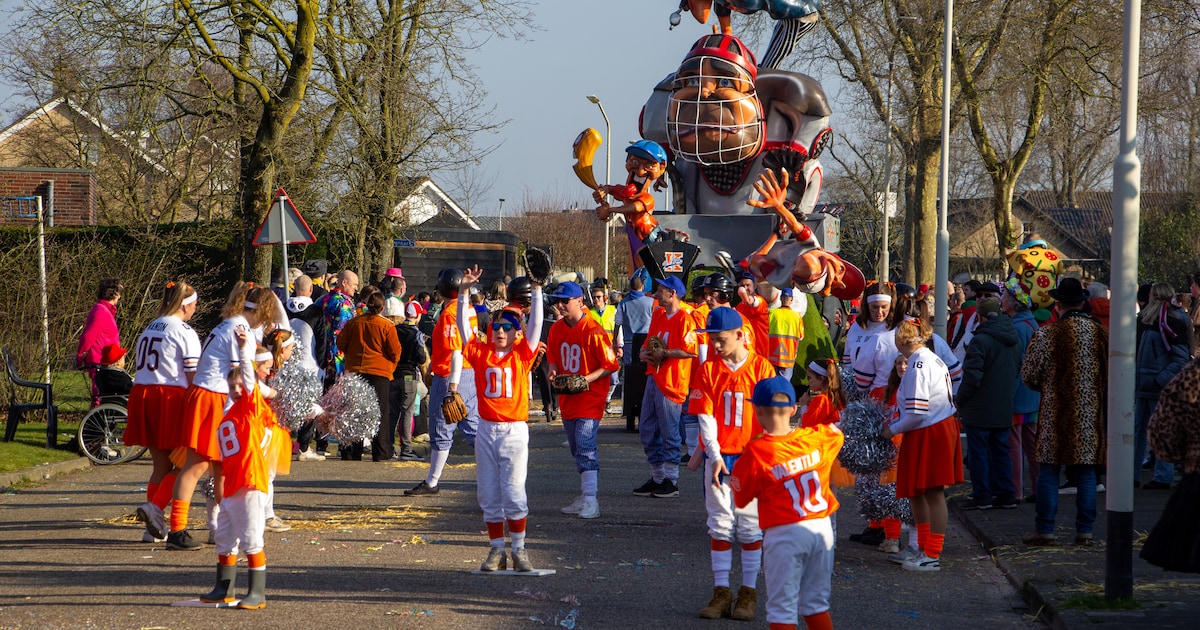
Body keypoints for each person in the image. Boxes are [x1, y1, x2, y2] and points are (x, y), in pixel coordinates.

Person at [169, 283, 279, 551]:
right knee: (196, 467)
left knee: (223, 470)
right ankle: (177, 530)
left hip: (210, 395)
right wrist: (272, 393)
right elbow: (243, 376)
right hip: (212, 397)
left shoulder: (230, 324)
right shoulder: (239, 330)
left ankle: (224, 527)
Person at [686, 307, 777, 621]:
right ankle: (721, 591)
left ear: (740, 335)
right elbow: (705, 415)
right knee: (721, 525)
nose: (715, 345)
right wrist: (712, 454)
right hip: (722, 456)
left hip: (752, 457)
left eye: (721, 339)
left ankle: (748, 594)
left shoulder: (763, 368)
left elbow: (773, 418)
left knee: (751, 527)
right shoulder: (709, 369)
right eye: (712, 339)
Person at [730, 376, 842, 630]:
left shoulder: (757, 451)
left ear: (757, 411)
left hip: (785, 530)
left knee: (782, 608)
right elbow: (836, 433)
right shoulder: (816, 438)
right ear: (793, 409)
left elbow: (741, 497)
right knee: (816, 604)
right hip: (821, 528)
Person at [454, 265, 543, 572]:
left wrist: (539, 289)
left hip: (514, 430)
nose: (501, 332)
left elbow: (536, 328)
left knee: (515, 492)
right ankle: (496, 550)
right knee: (488, 493)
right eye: (496, 328)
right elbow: (464, 330)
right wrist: (464, 293)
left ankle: (519, 549)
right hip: (487, 429)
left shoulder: (522, 354)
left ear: (517, 333)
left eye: (507, 328)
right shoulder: (481, 353)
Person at [1021, 278, 1107, 546]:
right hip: (1090, 414)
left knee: (1049, 471)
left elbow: (1029, 375)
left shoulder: (1047, 334)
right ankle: (1085, 532)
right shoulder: (1101, 333)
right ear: (1083, 302)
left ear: (1058, 305)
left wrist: (1046, 386)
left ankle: (1045, 530)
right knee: (1086, 473)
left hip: (1054, 413)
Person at [882, 317, 963, 571]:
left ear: (901, 339)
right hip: (930, 428)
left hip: (930, 430)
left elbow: (917, 412)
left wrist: (891, 429)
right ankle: (922, 548)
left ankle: (932, 553)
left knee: (932, 492)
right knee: (917, 491)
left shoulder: (918, 363)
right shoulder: (927, 358)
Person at [123, 282, 201, 544]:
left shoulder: (150, 326)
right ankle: (154, 511)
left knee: (160, 466)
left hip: (143, 393)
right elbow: (192, 375)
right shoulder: (184, 331)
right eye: (194, 305)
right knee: (185, 463)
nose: (195, 309)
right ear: (186, 305)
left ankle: (150, 528)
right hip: (170, 397)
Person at [199, 335, 271, 609]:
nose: (237, 389)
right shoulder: (229, 413)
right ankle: (224, 587)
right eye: (232, 386)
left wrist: (244, 349)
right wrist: (219, 483)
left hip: (251, 481)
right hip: (232, 485)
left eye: (240, 385)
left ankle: (257, 593)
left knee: (252, 539)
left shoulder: (251, 407)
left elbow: (249, 378)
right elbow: (222, 455)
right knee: (224, 539)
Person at [547, 282, 619, 520]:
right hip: (569, 399)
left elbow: (610, 365)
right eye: (557, 301)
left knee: (585, 444)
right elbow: (553, 357)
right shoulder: (557, 328)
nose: (559, 305)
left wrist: (585, 379)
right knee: (577, 448)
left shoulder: (593, 330)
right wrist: (553, 371)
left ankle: (591, 499)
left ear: (579, 301)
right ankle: (584, 495)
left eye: (564, 301)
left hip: (590, 397)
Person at [406, 268, 479, 496]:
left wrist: (451, 387)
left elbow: (455, 350)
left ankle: (432, 481)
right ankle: (496, 473)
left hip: (451, 375)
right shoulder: (468, 308)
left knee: (441, 428)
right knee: (474, 429)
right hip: (471, 373)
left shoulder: (450, 313)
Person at [633, 275, 698, 498]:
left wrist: (666, 353)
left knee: (669, 431)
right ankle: (658, 477)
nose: (656, 292)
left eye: (661, 289)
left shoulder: (685, 318)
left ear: (672, 293)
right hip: (654, 376)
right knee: (648, 429)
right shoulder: (659, 314)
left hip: (672, 382)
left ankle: (671, 480)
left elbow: (690, 350)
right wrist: (643, 353)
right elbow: (649, 341)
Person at [956, 298, 1021, 510]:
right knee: (1001, 451)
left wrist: (959, 400)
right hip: (1003, 404)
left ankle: (982, 494)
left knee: (979, 453)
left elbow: (972, 377)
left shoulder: (981, 341)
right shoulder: (1013, 338)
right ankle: (1005, 493)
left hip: (980, 407)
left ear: (980, 317)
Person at [1135, 282, 1192, 490]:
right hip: (1149, 381)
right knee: (1144, 431)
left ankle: (1161, 476)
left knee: (1152, 431)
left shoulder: (1164, 321)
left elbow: (1179, 357)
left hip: (1153, 382)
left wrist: (1159, 378)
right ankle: (1144, 474)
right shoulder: (1159, 320)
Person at [338, 287, 401, 462]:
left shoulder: (353, 323)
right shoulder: (387, 326)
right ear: (382, 308)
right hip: (379, 371)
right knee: (381, 412)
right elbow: (395, 351)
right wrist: (390, 364)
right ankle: (381, 451)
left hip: (355, 369)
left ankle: (351, 451)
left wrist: (352, 353)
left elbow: (340, 342)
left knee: (354, 410)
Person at [1002, 279, 1042, 503]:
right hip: (1033, 395)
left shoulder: (1016, 328)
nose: (1002, 301)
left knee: (1014, 445)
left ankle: (1015, 490)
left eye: (1005, 297)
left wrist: (1008, 394)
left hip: (1018, 395)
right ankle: (1038, 488)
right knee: (1032, 443)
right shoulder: (1032, 324)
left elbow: (1016, 366)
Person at [287, 275, 329, 460]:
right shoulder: (316, 312)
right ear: (311, 289)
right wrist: (322, 364)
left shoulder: (283, 309)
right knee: (309, 406)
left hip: (287, 365)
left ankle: (284, 443)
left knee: (286, 405)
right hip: (310, 365)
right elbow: (321, 342)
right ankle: (304, 447)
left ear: (294, 287)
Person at [384, 297, 427, 461]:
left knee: (392, 412)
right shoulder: (416, 333)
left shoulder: (393, 330)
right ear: (416, 316)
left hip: (393, 375)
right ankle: (407, 448)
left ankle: (388, 446)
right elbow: (421, 357)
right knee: (407, 413)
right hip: (409, 375)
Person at [614, 275, 656, 430]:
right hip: (647, 345)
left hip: (630, 345)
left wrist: (615, 343)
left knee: (629, 380)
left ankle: (629, 410)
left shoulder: (623, 304)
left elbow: (617, 324)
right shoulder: (651, 303)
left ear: (630, 287)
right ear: (642, 287)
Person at [77, 278, 123, 405]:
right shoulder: (101, 312)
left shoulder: (103, 311)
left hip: (105, 362)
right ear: (113, 293)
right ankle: (94, 423)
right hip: (100, 363)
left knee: (102, 397)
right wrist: (80, 356)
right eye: (119, 292)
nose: (120, 296)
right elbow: (88, 336)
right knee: (99, 398)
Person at [316, 269, 360, 388]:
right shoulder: (344, 304)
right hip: (337, 360)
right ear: (344, 283)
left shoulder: (322, 300)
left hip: (319, 354)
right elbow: (341, 333)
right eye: (354, 284)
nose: (356, 288)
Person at [768, 288, 804, 379]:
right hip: (788, 357)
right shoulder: (797, 317)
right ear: (791, 299)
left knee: (772, 384)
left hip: (772, 356)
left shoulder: (772, 313)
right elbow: (801, 337)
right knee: (784, 386)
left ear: (780, 298)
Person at [798, 359, 844, 429]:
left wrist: (804, 405)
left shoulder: (822, 399)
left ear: (821, 379)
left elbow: (807, 425)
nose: (808, 382)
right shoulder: (836, 395)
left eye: (810, 378)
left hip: (824, 437)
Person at [735, 273, 771, 358]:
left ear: (754, 286)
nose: (745, 288)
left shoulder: (760, 301)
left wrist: (750, 300)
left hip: (759, 353)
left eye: (748, 285)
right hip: (745, 353)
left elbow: (755, 303)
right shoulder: (739, 306)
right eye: (742, 285)